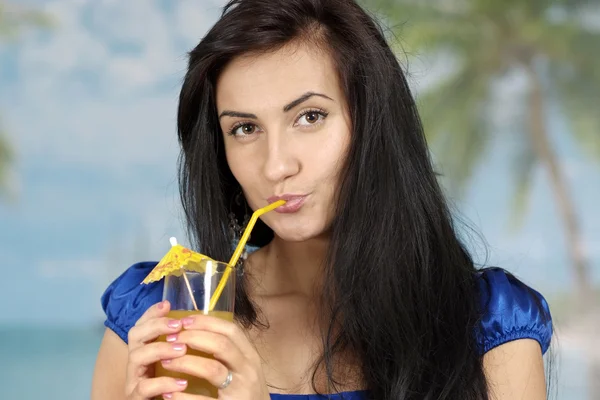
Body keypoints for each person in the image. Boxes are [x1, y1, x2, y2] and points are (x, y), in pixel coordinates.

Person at [91, 0, 553, 399]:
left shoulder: (487, 326)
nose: (276, 166)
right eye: (245, 129)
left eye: (309, 116)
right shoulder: (159, 318)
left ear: (372, 124)